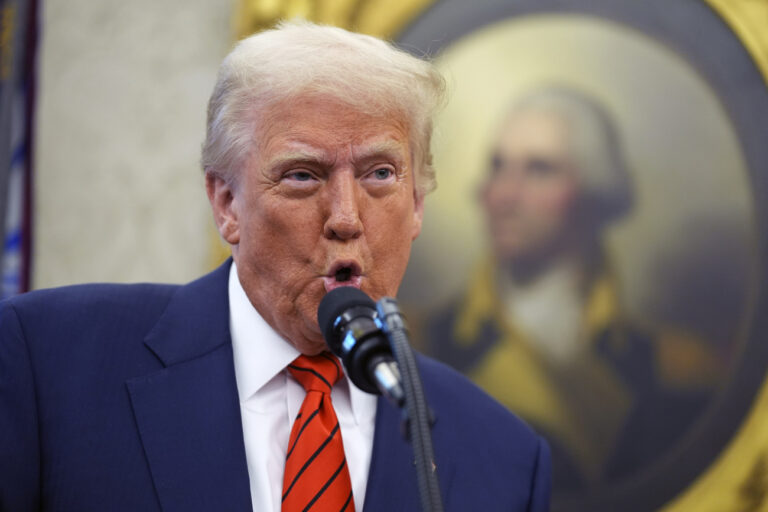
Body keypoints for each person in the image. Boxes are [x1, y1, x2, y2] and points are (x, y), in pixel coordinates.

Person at [0, 21, 550, 512]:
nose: (345, 218)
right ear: (227, 204)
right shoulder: (48, 362)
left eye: (380, 174)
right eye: (303, 175)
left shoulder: (501, 456)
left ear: (418, 206)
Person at [426, 87, 721, 490]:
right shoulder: (419, 343)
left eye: (540, 169)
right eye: (498, 166)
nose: (503, 194)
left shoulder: (680, 368)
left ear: (594, 191)